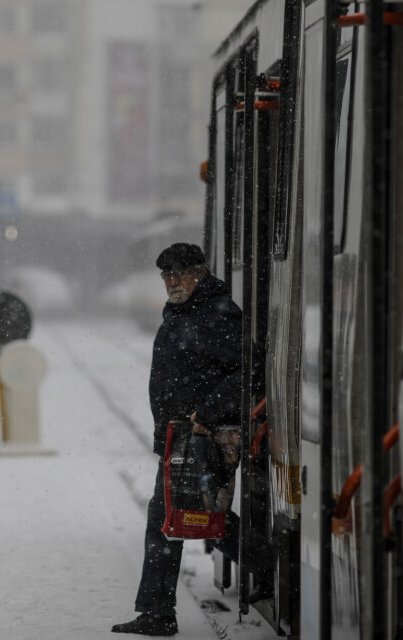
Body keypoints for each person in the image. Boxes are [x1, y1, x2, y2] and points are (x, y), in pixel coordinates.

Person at [112, 243, 242, 637]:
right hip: (180, 437)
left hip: (205, 436)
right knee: (182, 517)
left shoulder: (219, 313)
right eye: (166, 276)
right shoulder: (181, 313)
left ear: (199, 272)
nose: (171, 282)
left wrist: (207, 414)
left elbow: (245, 372)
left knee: (174, 519)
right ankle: (158, 611)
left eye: (179, 274)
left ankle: (159, 612)